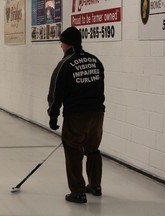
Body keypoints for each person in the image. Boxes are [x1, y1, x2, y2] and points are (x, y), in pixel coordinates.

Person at [47, 27, 105, 204]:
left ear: (67, 44)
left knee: (73, 150)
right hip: (97, 114)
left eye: (61, 43)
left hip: (76, 115)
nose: (61, 47)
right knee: (93, 149)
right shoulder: (95, 61)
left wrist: (53, 114)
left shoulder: (65, 63)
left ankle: (78, 191)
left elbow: (56, 93)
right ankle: (95, 186)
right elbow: (101, 87)